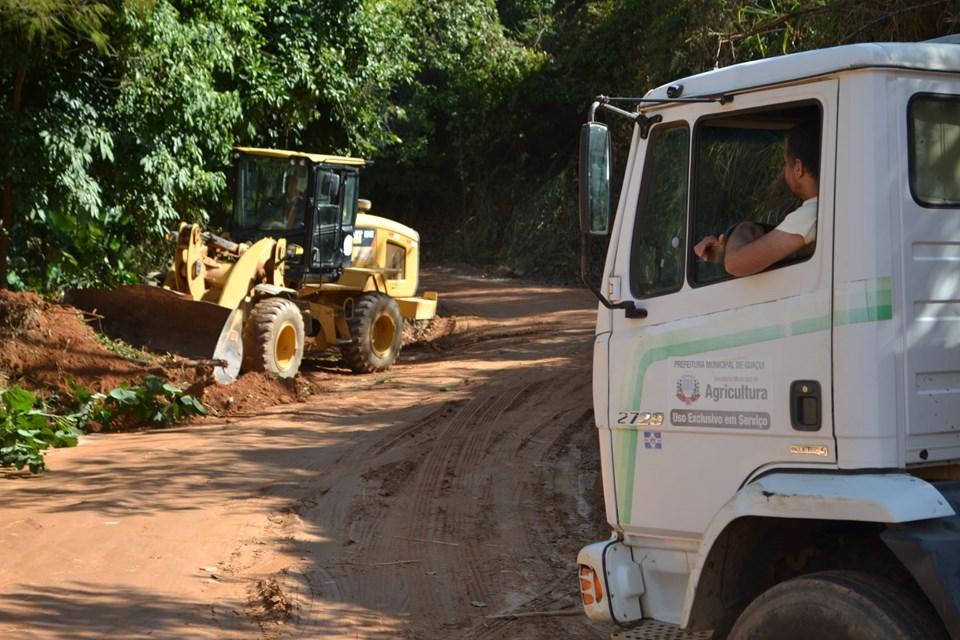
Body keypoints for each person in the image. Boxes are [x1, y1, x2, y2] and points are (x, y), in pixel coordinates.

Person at [693, 122, 820, 277]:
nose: (782, 170)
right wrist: (723, 252)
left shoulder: (812, 213)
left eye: (785, 163)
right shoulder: (823, 212)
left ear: (798, 168)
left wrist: (743, 228)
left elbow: (736, 264)